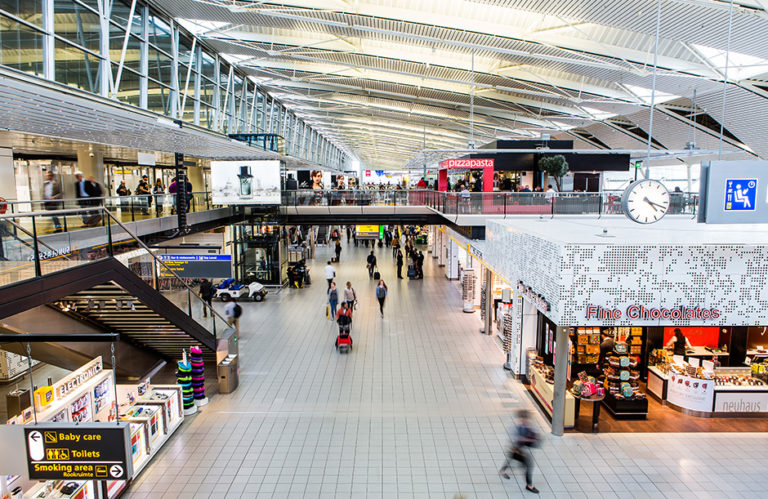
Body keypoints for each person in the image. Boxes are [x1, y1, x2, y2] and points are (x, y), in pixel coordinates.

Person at [499, 409, 539, 494]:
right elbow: (517, 439)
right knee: (528, 466)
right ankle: (529, 485)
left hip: (518, 450)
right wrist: (528, 440)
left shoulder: (527, 427)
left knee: (511, 458)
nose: (526, 420)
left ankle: (503, 470)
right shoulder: (517, 427)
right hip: (518, 450)